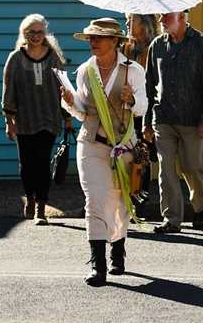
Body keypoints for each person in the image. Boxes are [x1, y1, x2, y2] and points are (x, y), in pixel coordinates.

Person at [60, 18, 147, 287]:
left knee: (119, 202)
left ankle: (118, 249)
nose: (93, 42)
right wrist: (69, 103)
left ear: (115, 41)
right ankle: (98, 266)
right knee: (95, 201)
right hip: (91, 144)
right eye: (91, 38)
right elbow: (83, 113)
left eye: (99, 38)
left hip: (123, 145)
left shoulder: (133, 70)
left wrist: (131, 99)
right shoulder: (85, 71)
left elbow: (143, 107)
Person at [144, 11, 203, 234]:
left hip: (192, 119)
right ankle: (172, 219)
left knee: (192, 167)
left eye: (166, 17)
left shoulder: (202, 43)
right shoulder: (156, 45)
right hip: (163, 118)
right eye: (160, 17)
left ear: (182, 17)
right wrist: (147, 122)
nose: (161, 21)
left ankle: (200, 206)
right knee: (166, 170)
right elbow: (149, 85)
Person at [1, 14, 70, 226]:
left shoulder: (53, 58)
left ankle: (41, 207)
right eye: (31, 32)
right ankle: (29, 197)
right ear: (24, 34)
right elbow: (8, 90)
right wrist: (9, 120)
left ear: (45, 33)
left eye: (40, 32)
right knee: (26, 165)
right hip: (24, 119)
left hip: (48, 118)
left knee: (42, 163)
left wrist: (67, 117)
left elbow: (64, 89)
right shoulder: (15, 58)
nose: (36, 36)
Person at [123, 13, 163, 218]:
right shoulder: (124, 47)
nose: (127, 23)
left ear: (144, 23)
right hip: (125, 110)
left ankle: (139, 203)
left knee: (142, 157)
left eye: (131, 19)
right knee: (125, 155)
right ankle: (125, 201)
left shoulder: (155, 48)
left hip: (146, 110)